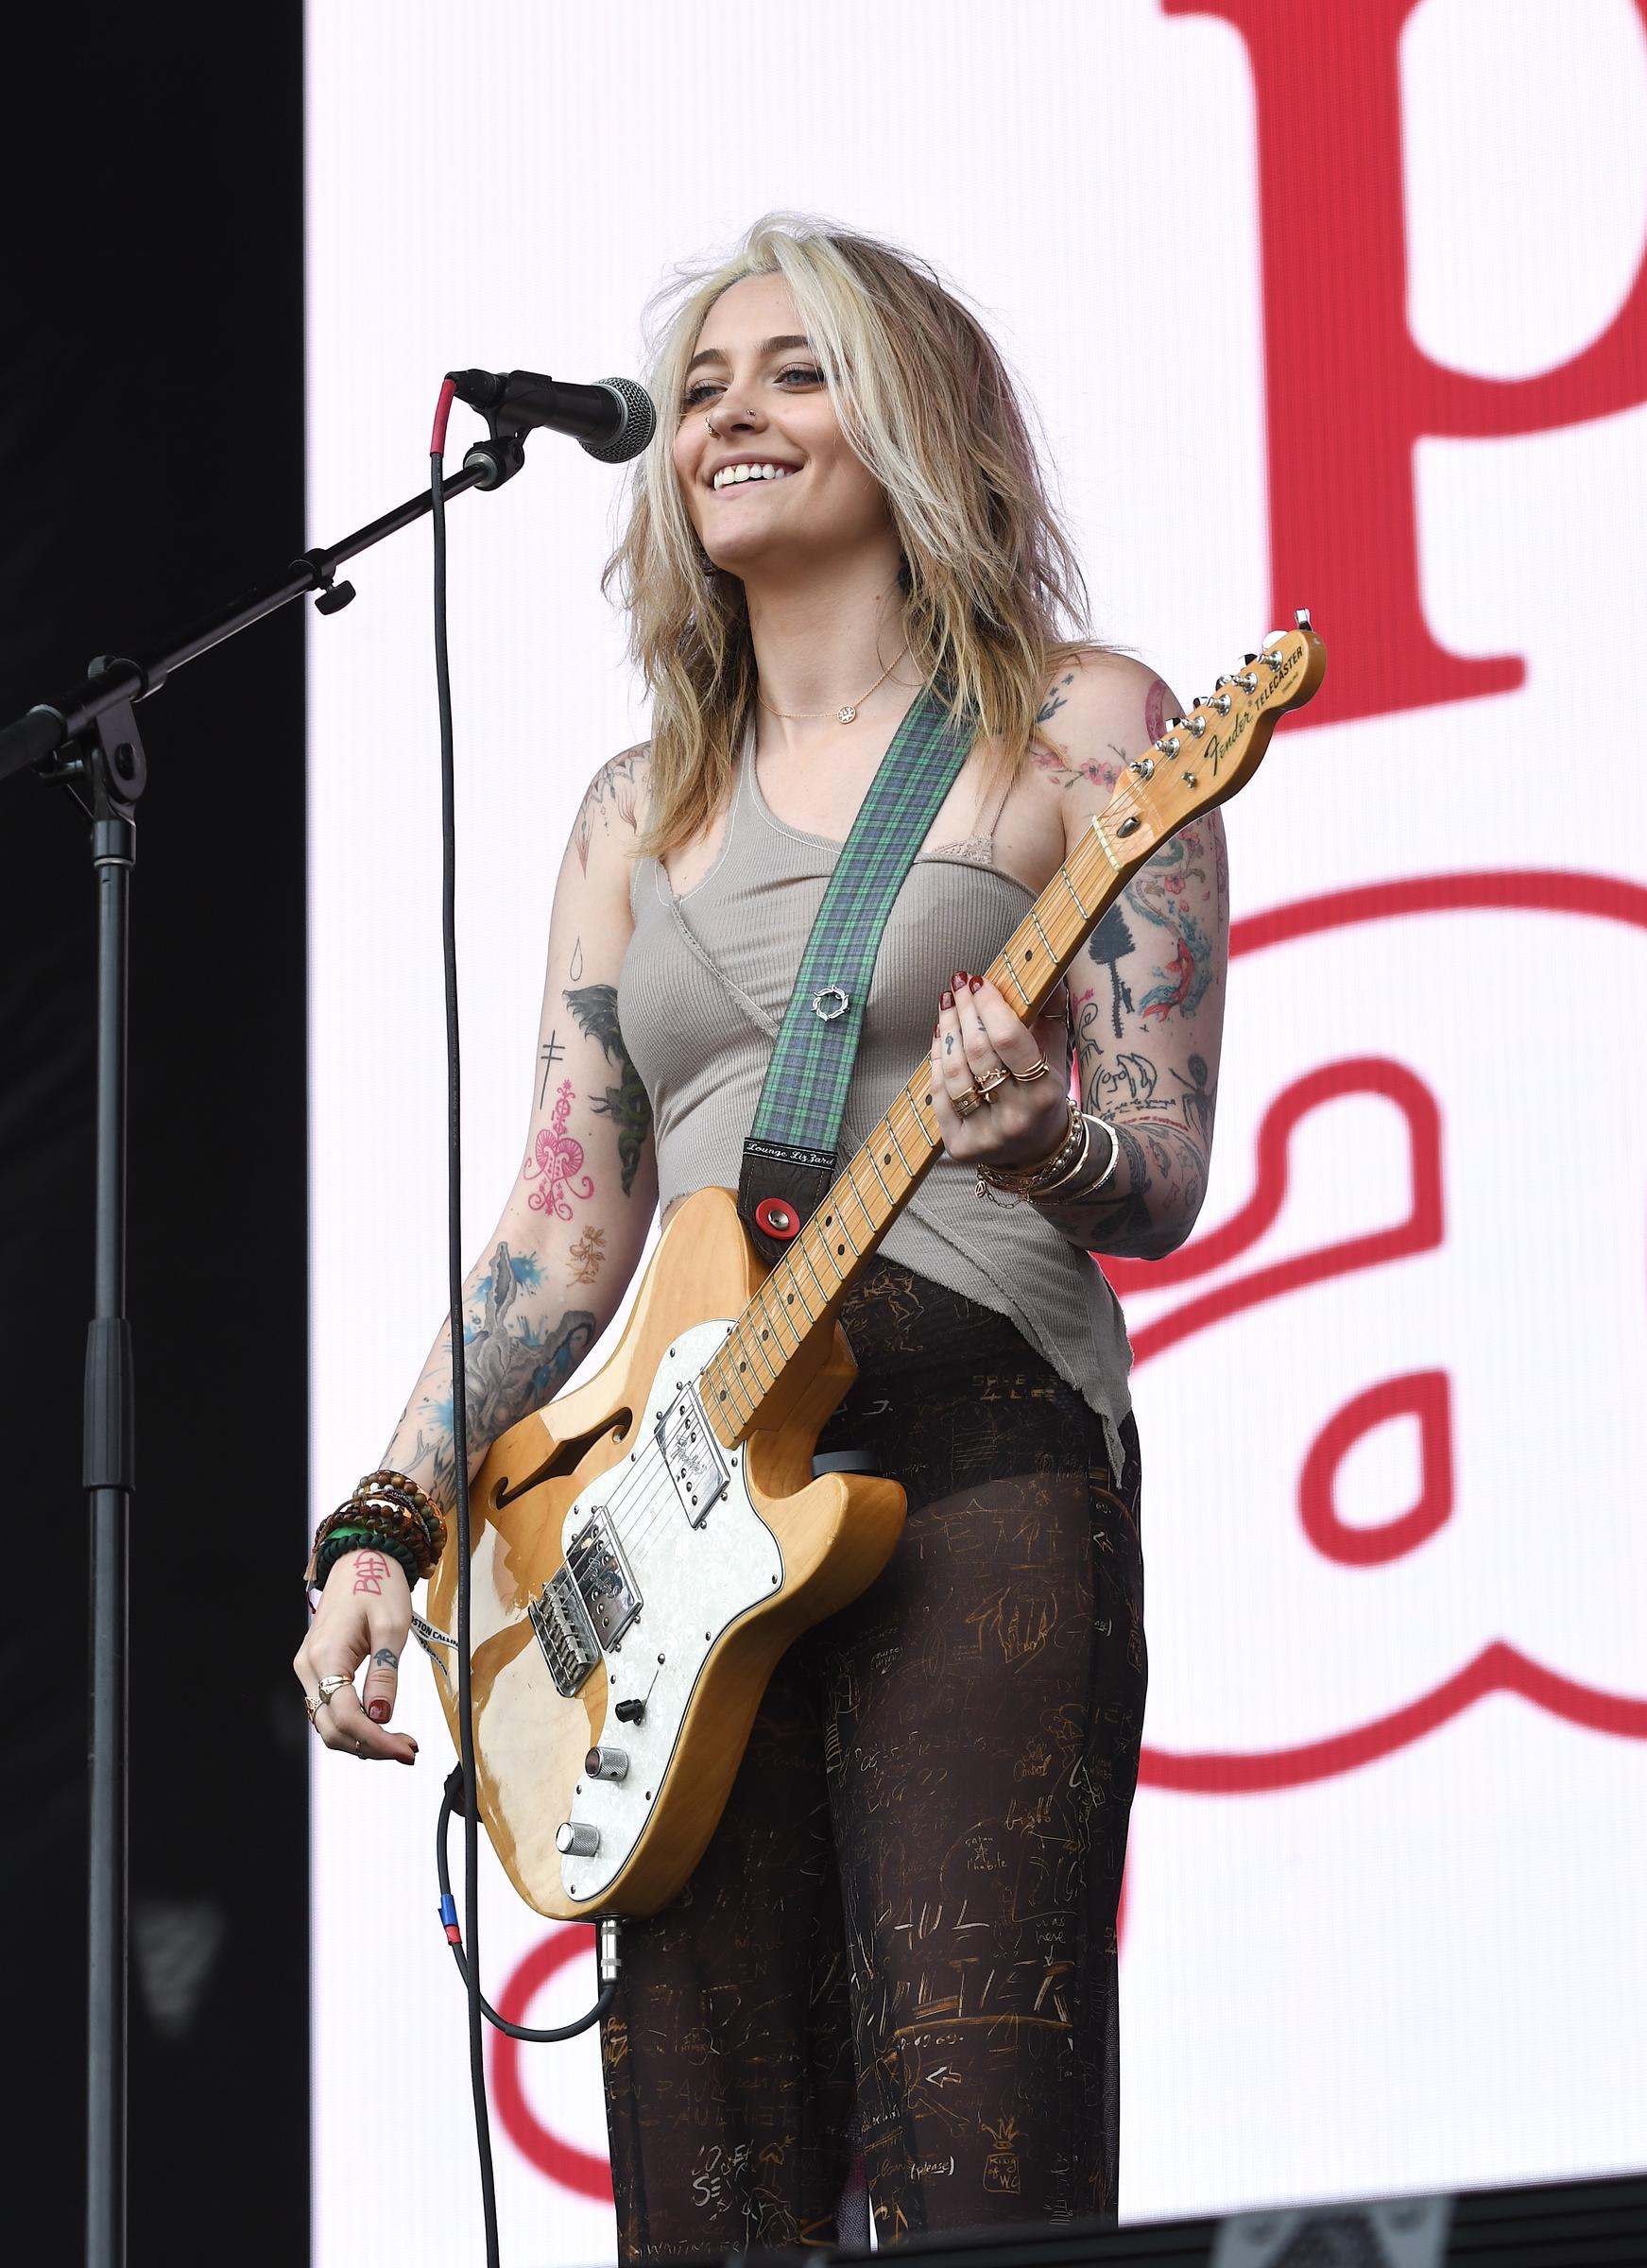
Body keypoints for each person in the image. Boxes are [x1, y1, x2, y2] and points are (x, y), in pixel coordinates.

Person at [295, 214, 1227, 2255]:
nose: (731, 412)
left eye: (797, 373)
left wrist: (1041, 1138)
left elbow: (1158, 1172)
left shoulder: (1087, 723)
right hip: (683, 1504)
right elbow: (563, 1220)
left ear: (913, 430)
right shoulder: (633, 810)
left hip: (978, 1452)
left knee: (984, 2113)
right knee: (702, 2163)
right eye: (707, 384)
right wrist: (388, 1522)